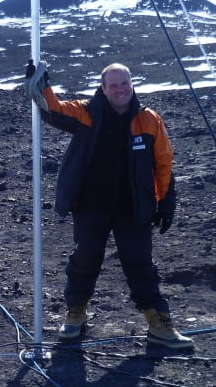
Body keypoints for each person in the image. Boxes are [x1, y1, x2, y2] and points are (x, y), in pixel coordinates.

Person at [25, 60, 194, 352]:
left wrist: (166, 202)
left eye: (124, 83)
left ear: (132, 85)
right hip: (91, 206)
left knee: (140, 265)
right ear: (103, 88)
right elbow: (53, 108)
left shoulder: (148, 120)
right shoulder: (87, 113)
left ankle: (159, 324)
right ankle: (75, 312)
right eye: (113, 84)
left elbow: (163, 162)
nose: (120, 89)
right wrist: (40, 85)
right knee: (85, 259)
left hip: (134, 208)